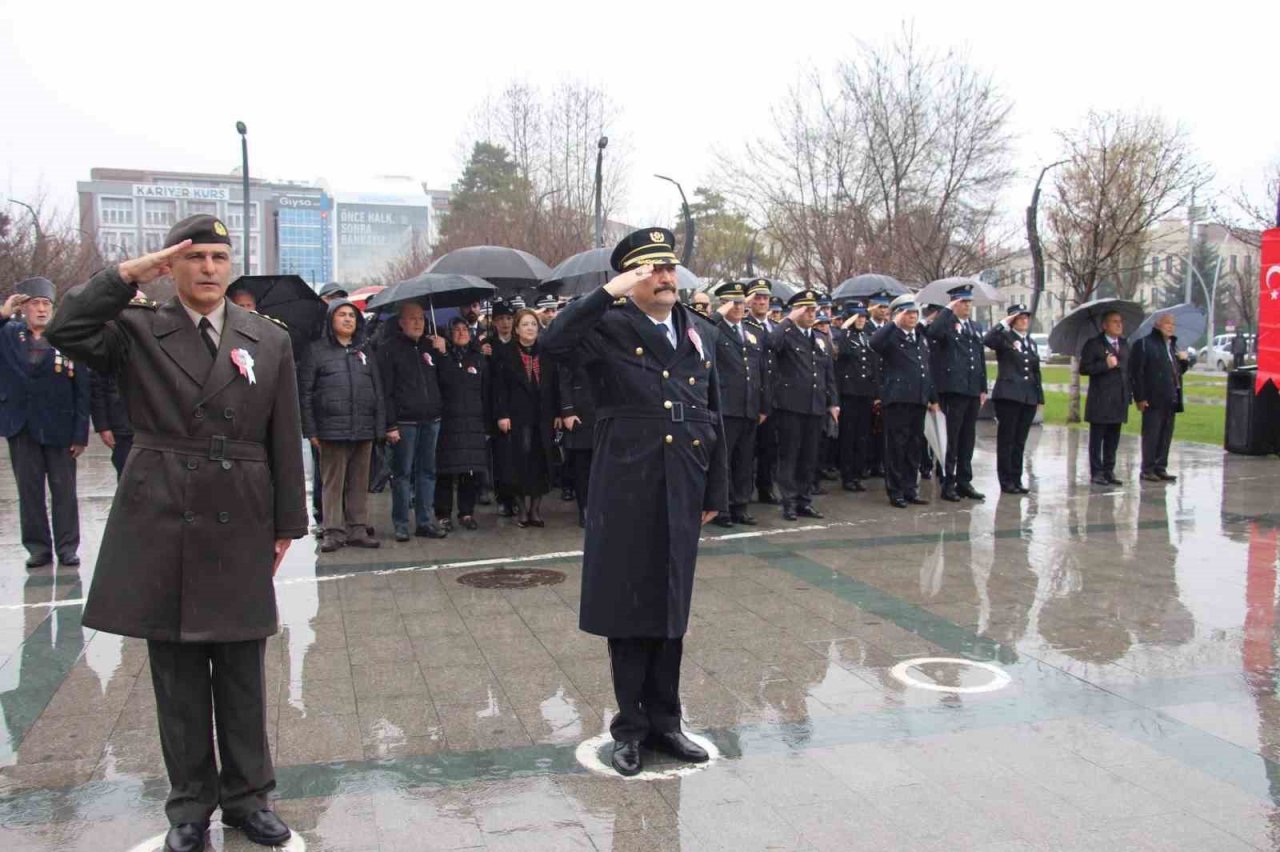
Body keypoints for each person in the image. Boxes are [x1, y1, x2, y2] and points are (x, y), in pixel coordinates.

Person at [45, 215, 307, 852]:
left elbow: (283, 430)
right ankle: (190, 806)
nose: (210, 269)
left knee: (243, 665)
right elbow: (65, 326)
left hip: (240, 507)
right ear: (173, 266)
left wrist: (286, 524)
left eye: (220, 256)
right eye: (195, 258)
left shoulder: (266, 338)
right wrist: (130, 274)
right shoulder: (136, 328)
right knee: (178, 672)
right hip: (163, 506)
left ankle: (249, 798)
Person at [540, 227, 727, 777]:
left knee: (671, 606)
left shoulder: (699, 331)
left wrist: (716, 488)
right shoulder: (607, 327)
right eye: (651, 269)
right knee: (629, 606)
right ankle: (630, 727)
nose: (665, 277)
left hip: (684, 480)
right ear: (629, 276)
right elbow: (551, 345)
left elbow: (712, 413)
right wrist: (609, 292)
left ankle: (666, 721)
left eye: (669, 267)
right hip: (628, 482)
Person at [0, 277, 89, 567]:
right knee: (29, 490)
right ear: (23, 307)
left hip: (60, 428)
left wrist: (80, 434)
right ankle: (38, 547)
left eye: (46, 304)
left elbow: (83, 389)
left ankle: (67, 547)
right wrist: (3, 313)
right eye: (35, 303)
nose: (41, 309)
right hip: (22, 426)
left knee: (64, 490)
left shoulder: (66, 338)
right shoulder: (10, 335)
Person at [299, 299, 385, 552]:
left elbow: (377, 390)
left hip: (363, 427)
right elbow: (305, 393)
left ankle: (357, 528)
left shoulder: (365, 350)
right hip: (330, 429)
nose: (348, 319)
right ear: (331, 320)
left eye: (352, 316)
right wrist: (310, 430)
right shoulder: (316, 351)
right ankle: (333, 531)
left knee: (359, 481)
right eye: (342, 315)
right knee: (332, 482)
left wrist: (378, 427)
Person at [377, 301, 447, 542]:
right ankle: (401, 523)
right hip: (404, 423)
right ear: (401, 322)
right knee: (402, 474)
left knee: (427, 472)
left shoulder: (431, 346)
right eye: (412, 318)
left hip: (432, 419)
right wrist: (390, 424)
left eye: (421, 318)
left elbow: (446, 380)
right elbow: (385, 391)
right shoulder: (389, 349)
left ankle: (426, 521)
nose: (418, 322)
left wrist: (443, 353)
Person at [767, 290, 839, 521]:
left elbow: (828, 373)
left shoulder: (819, 337)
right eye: (806, 309)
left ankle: (804, 501)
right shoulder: (786, 334)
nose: (811, 313)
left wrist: (833, 402)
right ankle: (789, 502)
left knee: (809, 457)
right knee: (790, 456)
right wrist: (788, 319)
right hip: (790, 407)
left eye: (813, 309)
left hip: (815, 406)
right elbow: (771, 344)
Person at [871, 294, 939, 508]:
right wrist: (893, 323)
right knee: (896, 447)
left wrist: (932, 397)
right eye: (907, 313)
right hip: (898, 399)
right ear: (898, 314)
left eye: (914, 313)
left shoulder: (918, 337)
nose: (912, 317)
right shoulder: (891, 337)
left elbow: (926, 370)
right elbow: (874, 342)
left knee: (913, 447)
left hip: (918, 399)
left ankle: (911, 489)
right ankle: (896, 491)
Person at [709, 281, 769, 527]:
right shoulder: (714, 329)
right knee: (723, 460)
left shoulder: (753, 330)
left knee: (744, 460)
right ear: (723, 304)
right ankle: (721, 508)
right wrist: (717, 315)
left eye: (741, 302)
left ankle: (740, 505)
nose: (738, 306)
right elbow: (699, 330)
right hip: (726, 406)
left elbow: (761, 370)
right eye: (733, 302)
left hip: (749, 406)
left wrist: (763, 405)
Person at [492, 308, 556, 527]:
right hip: (517, 416)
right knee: (519, 460)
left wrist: (557, 412)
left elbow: (553, 385)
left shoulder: (545, 352)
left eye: (533, 324)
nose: (530, 328)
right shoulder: (505, 353)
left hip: (542, 415)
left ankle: (535, 509)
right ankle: (521, 508)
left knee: (541, 459)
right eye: (525, 324)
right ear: (517, 329)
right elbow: (498, 388)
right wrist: (502, 414)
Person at [925, 285, 989, 502]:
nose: (967, 306)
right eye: (962, 302)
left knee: (967, 437)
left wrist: (982, 387)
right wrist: (947, 310)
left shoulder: (974, 326)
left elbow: (979, 357)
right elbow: (933, 333)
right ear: (954, 303)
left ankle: (964, 480)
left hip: (971, 389)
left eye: (969, 302)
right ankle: (947, 480)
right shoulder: (946, 325)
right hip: (953, 389)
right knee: (950, 437)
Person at [435, 317, 490, 530]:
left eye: (464, 329)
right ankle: (443, 514)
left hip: (474, 420)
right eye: (455, 329)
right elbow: (448, 379)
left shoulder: (478, 357)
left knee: (470, 470)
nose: (461, 332)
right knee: (446, 471)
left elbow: (486, 390)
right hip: (448, 420)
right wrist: (444, 354)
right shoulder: (441, 356)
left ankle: (466, 513)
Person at [984, 305, 1044, 494]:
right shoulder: (1005, 338)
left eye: (1026, 317)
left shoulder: (1030, 342)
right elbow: (988, 339)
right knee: (1007, 439)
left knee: (1020, 440)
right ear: (1012, 320)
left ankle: (1016, 478)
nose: (1024, 320)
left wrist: (1039, 397)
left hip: (1028, 397)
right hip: (1009, 396)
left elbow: (1035, 371)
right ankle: (1006, 480)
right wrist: (1004, 323)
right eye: (1020, 317)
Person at [1130, 312, 1189, 483]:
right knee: (1152, 434)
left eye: (1173, 324)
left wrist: (1183, 362)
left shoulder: (1171, 346)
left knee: (1166, 434)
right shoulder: (1144, 344)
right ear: (1157, 325)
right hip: (1153, 397)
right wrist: (1140, 397)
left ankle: (1160, 466)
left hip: (1171, 397)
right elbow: (1137, 373)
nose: (1170, 327)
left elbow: (1175, 372)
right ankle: (1147, 469)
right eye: (1167, 323)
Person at [1080, 311, 1132, 486]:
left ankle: (1109, 470)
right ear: (1105, 325)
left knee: (1113, 438)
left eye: (1120, 321)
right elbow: (1084, 368)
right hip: (1101, 399)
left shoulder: (1124, 344)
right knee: (1097, 439)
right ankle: (1097, 472)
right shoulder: (1094, 344)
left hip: (1119, 399)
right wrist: (1105, 365)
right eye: (1114, 321)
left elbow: (1128, 370)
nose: (1119, 325)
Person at [834, 302, 879, 493]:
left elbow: (874, 364)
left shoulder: (867, 337)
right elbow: (842, 351)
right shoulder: (844, 336)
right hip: (849, 392)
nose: (861, 320)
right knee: (848, 436)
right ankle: (847, 475)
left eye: (863, 317)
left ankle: (858, 473)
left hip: (865, 392)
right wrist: (845, 327)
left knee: (862, 436)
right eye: (857, 317)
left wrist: (876, 393)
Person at [744, 278, 780, 505]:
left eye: (765, 298)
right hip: (750, 396)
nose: (762, 302)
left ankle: (766, 488)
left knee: (770, 447)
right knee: (747, 449)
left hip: (773, 397)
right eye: (757, 297)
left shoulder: (776, 327)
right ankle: (744, 491)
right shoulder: (743, 325)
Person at [90, 365, 133, 478]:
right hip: (122, 427)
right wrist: (102, 426)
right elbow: (98, 390)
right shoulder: (114, 350)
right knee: (126, 474)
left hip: (154, 426)